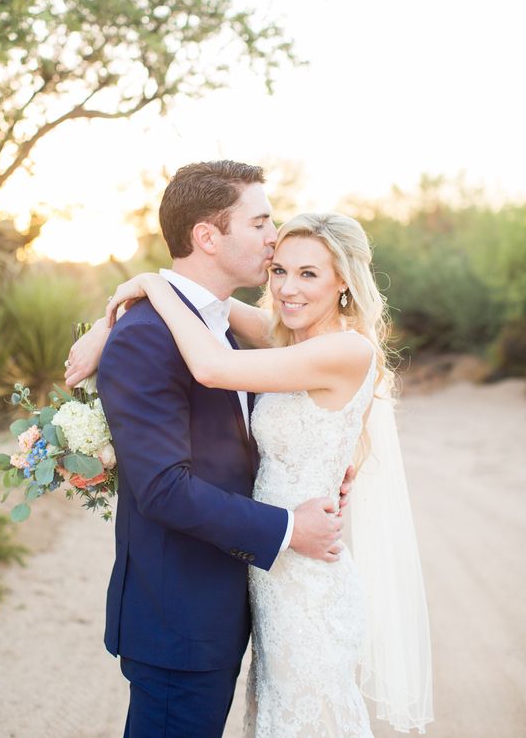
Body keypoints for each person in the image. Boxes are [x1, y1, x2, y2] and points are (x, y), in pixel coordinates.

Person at [82, 209, 434, 737]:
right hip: (270, 575)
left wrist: (150, 283)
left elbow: (211, 365)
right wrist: (104, 327)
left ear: (344, 281)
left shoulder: (344, 349)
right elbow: (208, 303)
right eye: (279, 271)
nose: (288, 289)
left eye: (309, 274)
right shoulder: (290, 338)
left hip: (307, 579)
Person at [66, 161, 358, 738]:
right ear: (207, 237)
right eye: (260, 223)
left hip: (228, 607)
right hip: (179, 618)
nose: (273, 236)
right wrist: (287, 527)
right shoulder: (149, 336)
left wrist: (327, 466)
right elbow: (161, 488)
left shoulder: (221, 326)